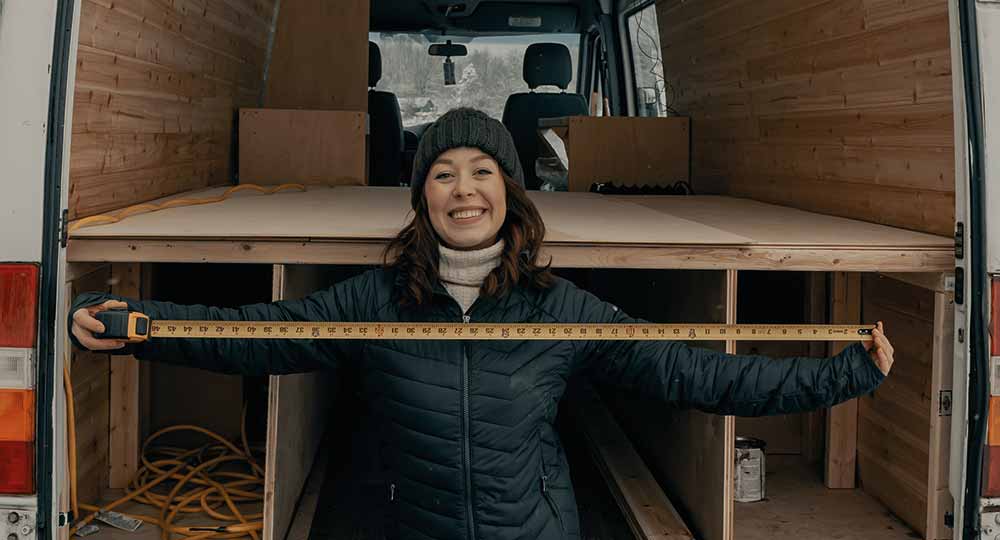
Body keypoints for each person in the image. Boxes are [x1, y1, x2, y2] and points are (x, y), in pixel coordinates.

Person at [70, 107, 894, 540]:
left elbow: (699, 371)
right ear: (422, 196)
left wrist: (842, 373)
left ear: (509, 192)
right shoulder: (373, 301)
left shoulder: (560, 307)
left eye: (482, 171)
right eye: (442, 173)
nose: (463, 189)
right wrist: (139, 323)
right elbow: (253, 333)